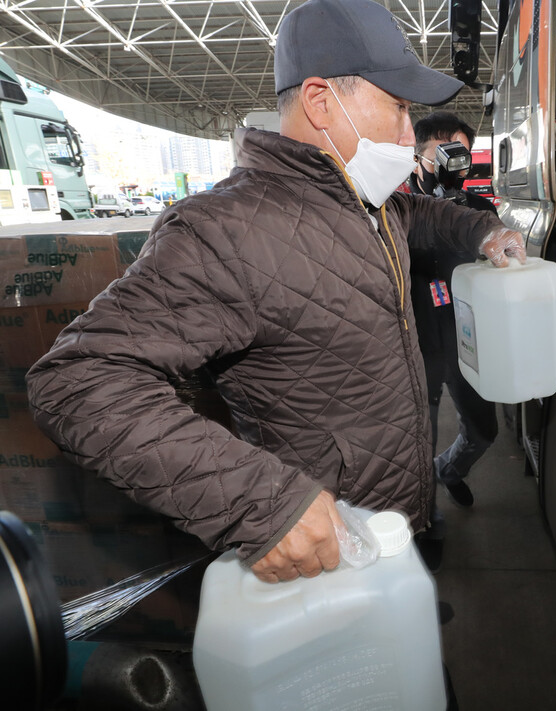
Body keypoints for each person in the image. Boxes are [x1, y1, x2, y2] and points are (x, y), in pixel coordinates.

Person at [26, 0, 525, 585]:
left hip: (391, 528)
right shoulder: (226, 231)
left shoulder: (371, 203)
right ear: (321, 102)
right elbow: (77, 379)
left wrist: (487, 230)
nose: (406, 133)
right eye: (397, 107)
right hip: (326, 551)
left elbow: (427, 213)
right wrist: (261, 503)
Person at [408, 112, 498, 514]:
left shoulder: (479, 211)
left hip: (467, 339)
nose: (452, 165)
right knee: (415, 441)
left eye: (460, 154)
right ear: (418, 158)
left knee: (483, 431)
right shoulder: (397, 209)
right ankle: (423, 517)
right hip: (418, 340)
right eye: (443, 154)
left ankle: (449, 469)